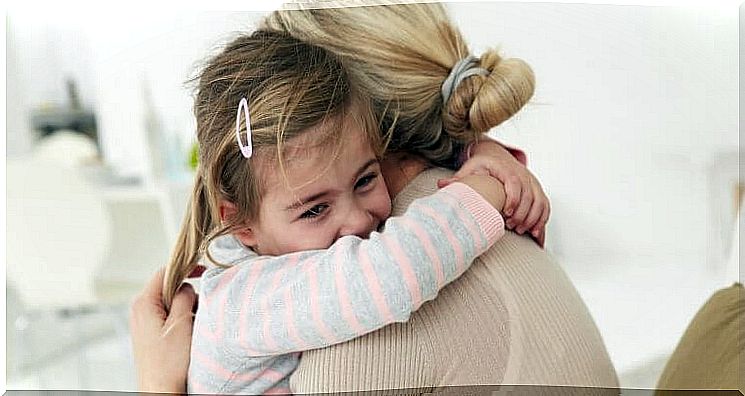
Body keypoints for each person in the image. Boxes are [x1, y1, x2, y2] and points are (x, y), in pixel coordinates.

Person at [131, 2, 618, 393]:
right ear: (241, 224)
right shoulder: (249, 298)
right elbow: (389, 273)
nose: (358, 224)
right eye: (315, 209)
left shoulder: (362, 341)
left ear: (371, 131)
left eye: (365, 179)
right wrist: (487, 180)